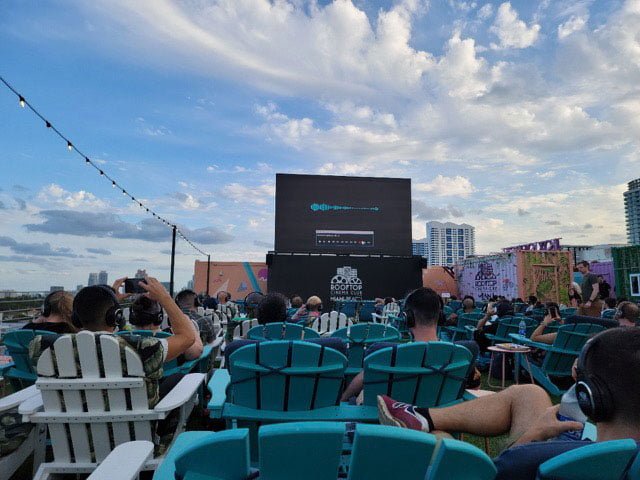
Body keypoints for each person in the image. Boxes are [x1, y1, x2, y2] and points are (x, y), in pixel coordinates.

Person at [378, 328, 640, 480]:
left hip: (562, 458)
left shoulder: (542, 458)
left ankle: (429, 424)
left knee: (441, 439)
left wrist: (533, 434)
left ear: (589, 397)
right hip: (594, 445)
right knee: (529, 393)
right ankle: (422, 416)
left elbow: (493, 471)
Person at [29, 278, 196, 409]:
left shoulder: (43, 348)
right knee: (177, 379)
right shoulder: (143, 348)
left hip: (71, 442)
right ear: (116, 317)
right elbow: (188, 337)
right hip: (137, 442)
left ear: (75, 318)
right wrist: (164, 298)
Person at [340, 287, 479, 402]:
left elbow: (363, 380)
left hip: (389, 426)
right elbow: (474, 386)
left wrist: (343, 399)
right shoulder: (463, 353)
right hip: (439, 415)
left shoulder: (386, 353)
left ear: (408, 318)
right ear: (441, 317)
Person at [223, 292, 346, 363]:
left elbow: (231, 350)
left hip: (255, 402)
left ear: (259, 315)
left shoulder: (237, 348)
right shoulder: (305, 345)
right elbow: (339, 344)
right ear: (285, 314)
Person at [129, 294, 202, 361]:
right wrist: (186, 320)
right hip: (171, 374)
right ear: (159, 318)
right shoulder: (175, 339)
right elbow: (196, 351)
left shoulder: (122, 339)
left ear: (132, 318)